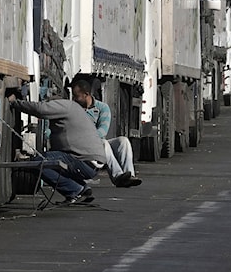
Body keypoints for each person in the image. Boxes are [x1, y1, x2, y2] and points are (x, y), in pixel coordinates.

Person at [9, 87, 141, 204]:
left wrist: (16, 103)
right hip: (87, 157)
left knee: (40, 162)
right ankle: (81, 188)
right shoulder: (76, 109)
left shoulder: (66, 107)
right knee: (56, 160)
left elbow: (41, 110)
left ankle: (77, 189)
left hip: (86, 157)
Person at [70, 79, 138, 181]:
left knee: (123, 141)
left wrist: (91, 137)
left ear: (86, 95)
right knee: (103, 143)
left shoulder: (102, 108)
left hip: (95, 141)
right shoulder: (73, 109)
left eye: (77, 96)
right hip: (82, 144)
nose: (74, 99)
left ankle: (130, 174)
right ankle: (117, 176)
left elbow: (103, 130)